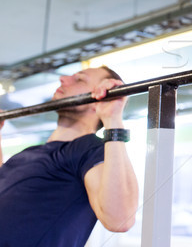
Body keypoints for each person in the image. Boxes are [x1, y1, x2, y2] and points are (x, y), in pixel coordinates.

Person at [0, 66, 139, 246]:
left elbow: (120, 219)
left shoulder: (89, 150)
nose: (63, 79)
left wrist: (112, 119)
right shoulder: (30, 152)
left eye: (80, 79)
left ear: (98, 99)